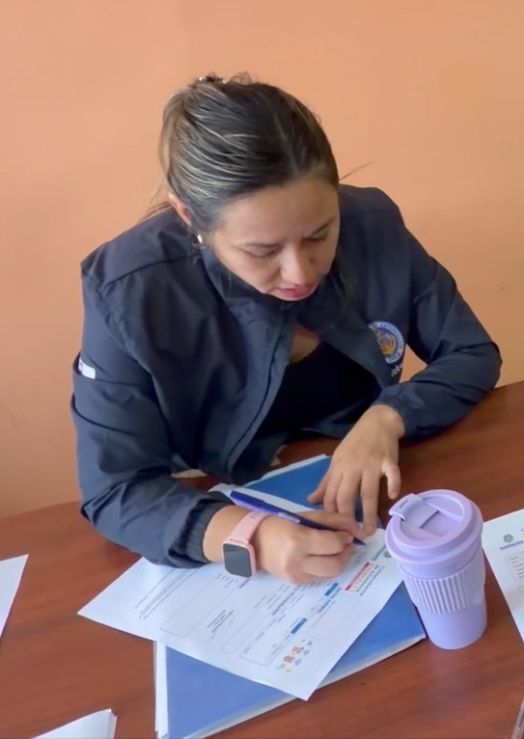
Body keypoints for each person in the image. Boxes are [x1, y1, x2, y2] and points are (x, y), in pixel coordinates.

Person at [72, 75, 501, 584]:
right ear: (189, 217)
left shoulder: (372, 224)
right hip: (214, 503)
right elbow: (115, 490)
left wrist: (388, 417)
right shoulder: (127, 290)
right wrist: (250, 537)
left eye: (320, 234)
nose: (300, 272)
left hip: (378, 494)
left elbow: (471, 352)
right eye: (262, 250)